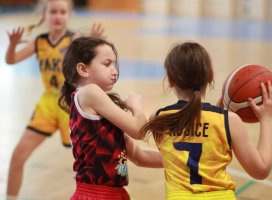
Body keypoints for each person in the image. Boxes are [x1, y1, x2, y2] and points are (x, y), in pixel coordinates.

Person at [139, 41, 272, 200]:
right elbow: (260, 170)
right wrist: (267, 120)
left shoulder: (160, 118)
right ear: (211, 76)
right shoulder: (228, 120)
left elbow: (188, 134)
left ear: (170, 80)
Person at [5, 0, 104, 199]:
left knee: (89, 162)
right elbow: (11, 60)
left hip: (71, 104)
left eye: (62, 12)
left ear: (68, 15)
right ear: (45, 15)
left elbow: (94, 62)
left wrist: (93, 43)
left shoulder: (75, 40)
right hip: (47, 104)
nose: (58, 16)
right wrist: (13, 45)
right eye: (53, 12)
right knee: (18, 156)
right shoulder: (39, 42)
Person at [58, 36, 163, 200]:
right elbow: (139, 131)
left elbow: (140, 157)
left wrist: (186, 161)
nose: (114, 71)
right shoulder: (89, 92)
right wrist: (137, 107)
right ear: (83, 69)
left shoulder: (101, 118)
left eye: (114, 64)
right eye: (107, 64)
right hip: (96, 195)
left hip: (115, 194)